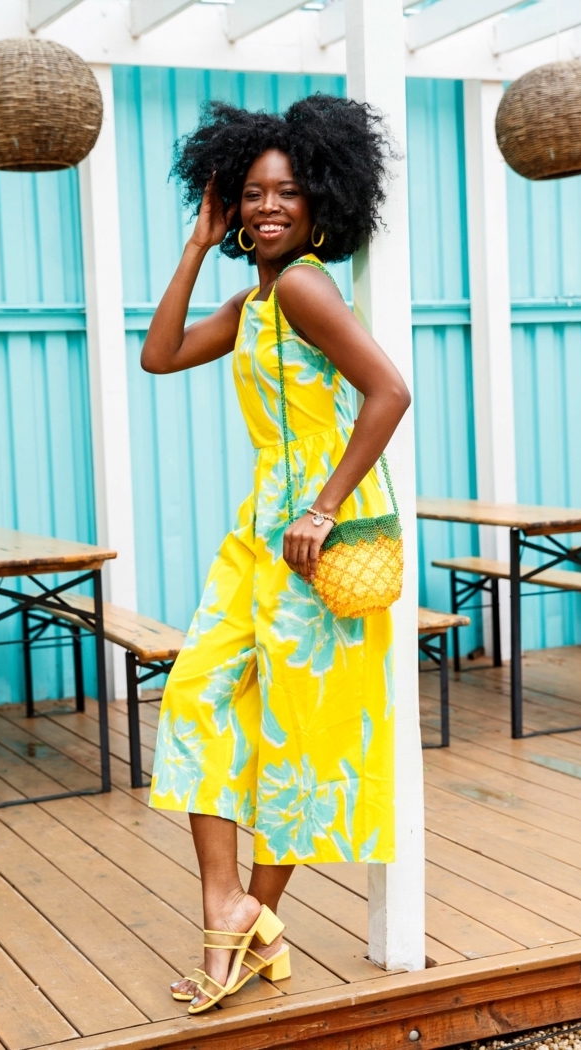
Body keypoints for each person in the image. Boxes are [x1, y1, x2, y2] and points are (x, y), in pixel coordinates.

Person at [141, 94, 411, 1014]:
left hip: (314, 537)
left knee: (296, 735)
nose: (268, 208)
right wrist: (194, 242)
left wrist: (324, 508)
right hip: (259, 534)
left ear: (321, 199)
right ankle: (240, 916)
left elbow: (388, 393)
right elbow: (161, 354)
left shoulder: (304, 284)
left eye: (287, 192)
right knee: (197, 698)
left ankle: (238, 931)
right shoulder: (256, 299)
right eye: (251, 193)